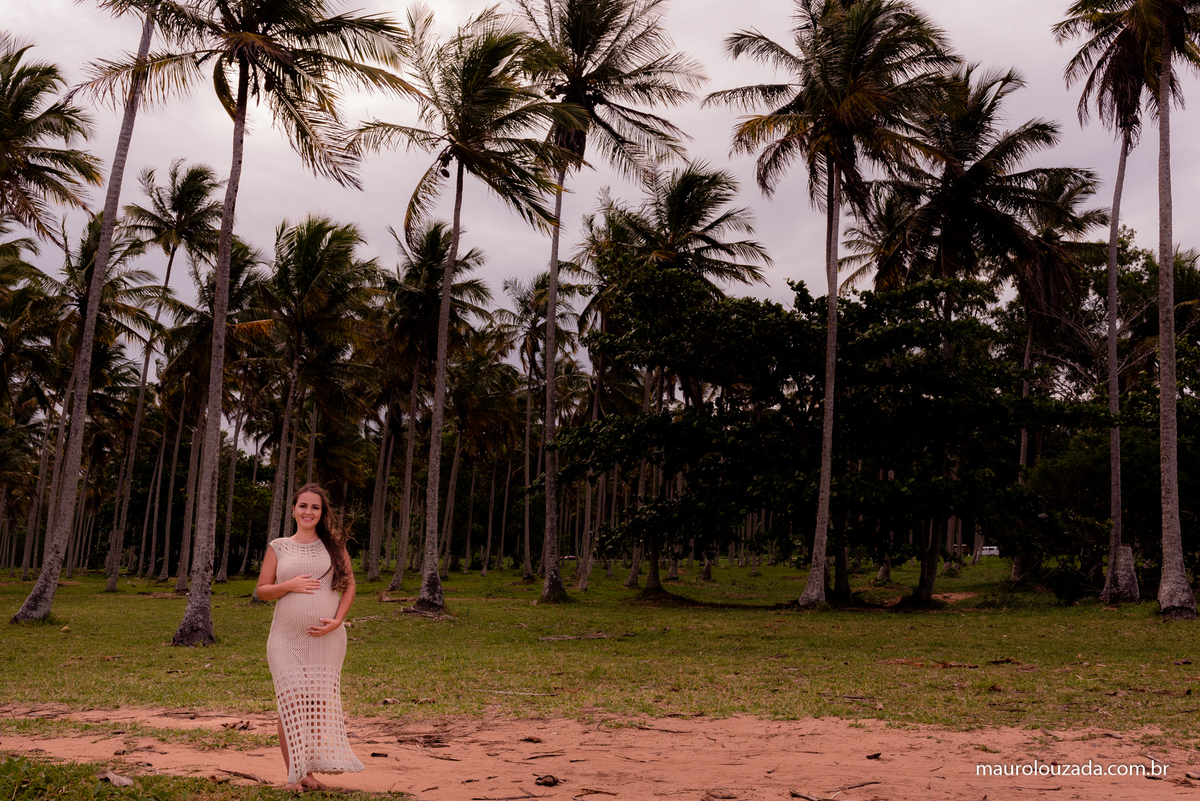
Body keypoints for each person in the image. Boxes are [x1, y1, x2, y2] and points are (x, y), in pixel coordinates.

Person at [256, 483, 364, 790]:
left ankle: (308, 773)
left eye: (315, 507)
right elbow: (262, 591)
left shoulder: (334, 546)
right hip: (285, 638)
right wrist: (288, 585)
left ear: (322, 512)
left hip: (327, 638)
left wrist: (338, 621)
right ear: (293, 510)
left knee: (315, 707)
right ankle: (294, 774)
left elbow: (351, 586)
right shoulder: (279, 547)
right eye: (303, 506)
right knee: (290, 703)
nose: (308, 512)